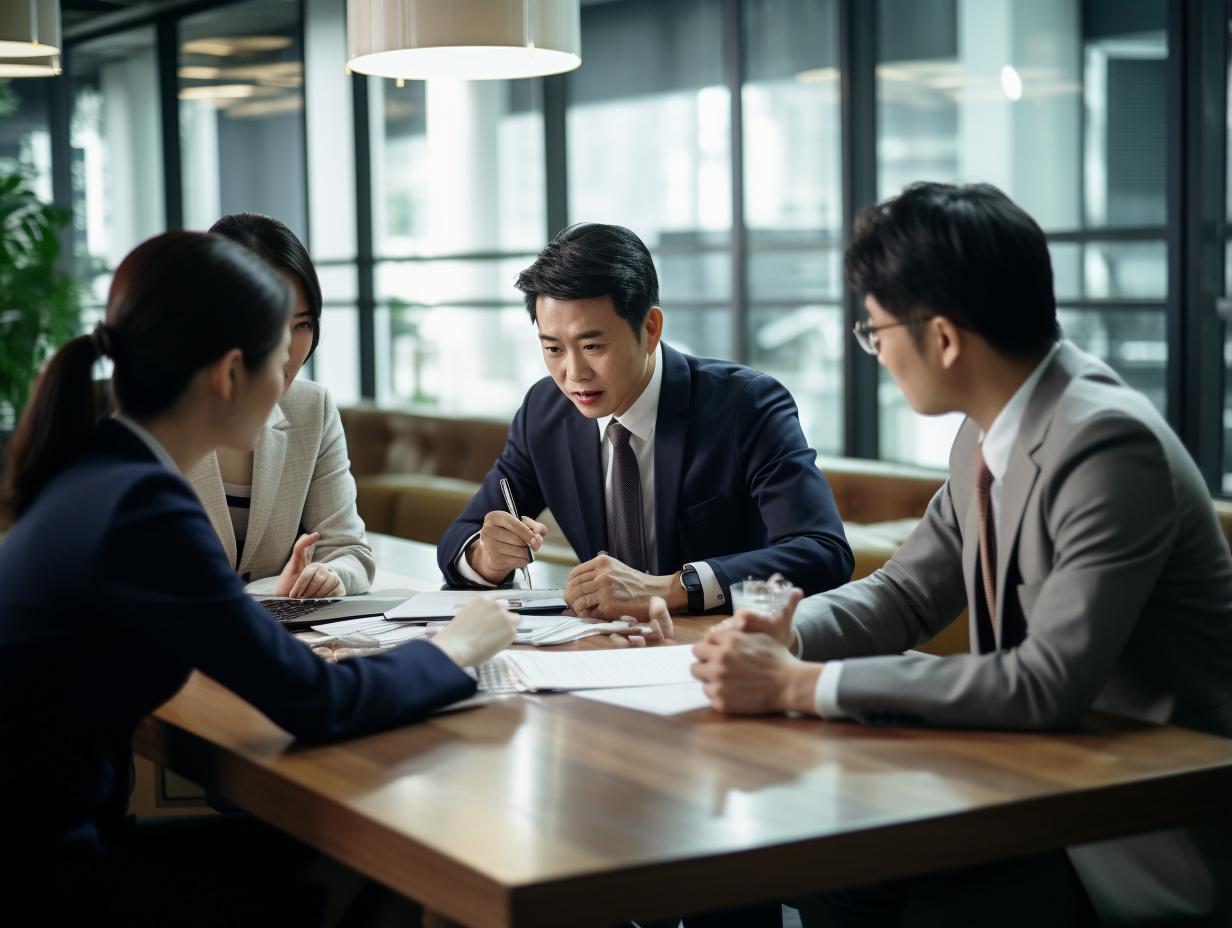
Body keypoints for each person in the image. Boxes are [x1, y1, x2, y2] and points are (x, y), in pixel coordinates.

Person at [691, 182, 1232, 927]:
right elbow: (907, 594)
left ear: (942, 337)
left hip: (1131, 830)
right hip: (1027, 780)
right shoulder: (986, 430)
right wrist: (790, 633)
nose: (875, 351)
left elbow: (1046, 685)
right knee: (835, 869)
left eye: (875, 330)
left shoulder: (1108, 443)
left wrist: (798, 686)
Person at [0, 230, 518, 926]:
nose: (290, 378)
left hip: (56, 849)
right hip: (48, 881)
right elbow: (320, 702)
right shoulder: (143, 507)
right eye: (281, 354)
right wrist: (456, 646)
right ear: (229, 373)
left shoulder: (103, 470)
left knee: (332, 860)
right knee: (388, 878)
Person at [437, 222, 853, 623]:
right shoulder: (543, 412)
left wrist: (670, 588)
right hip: (603, 649)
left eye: (592, 345)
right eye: (553, 349)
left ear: (650, 328)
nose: (574, 373)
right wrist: (487, 557)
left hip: (724, 650)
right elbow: (461, 537)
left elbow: (823, 552)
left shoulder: (745, 404)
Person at [186, 212, 369, 599]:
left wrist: (327, 577)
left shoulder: (311, 409)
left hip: (278, 639)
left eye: (301, 324)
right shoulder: (155, 417)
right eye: (267, 323)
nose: (287, 350)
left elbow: (349, 549)